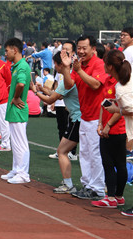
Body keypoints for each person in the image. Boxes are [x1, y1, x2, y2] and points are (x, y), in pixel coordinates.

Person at [62, 35, 108, 201]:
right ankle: (88, 185)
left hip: (98, 116)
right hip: (85, 116)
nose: (81, 51)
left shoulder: (98, 64)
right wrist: (67, 68)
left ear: (93, 49)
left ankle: (98, 189)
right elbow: (68, 85)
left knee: (95, 153)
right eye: (79, 48)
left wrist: (79, 70)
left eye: (84, 48)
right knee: (85, 153)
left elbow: (96, 84)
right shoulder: (77, 65)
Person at [34, 50, 81, 194]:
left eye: (55, 63)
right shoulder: (74, 76)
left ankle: (68, 184)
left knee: (62, 151)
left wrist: (35, 92)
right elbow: (57, 95)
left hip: (77, 120)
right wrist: (43, 90)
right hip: (81, 119)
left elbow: (51, 99)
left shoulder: (68, 79)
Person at [92, 50, 128, 209]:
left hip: (117, 129)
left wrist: (107, 126)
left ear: (111, 66)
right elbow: (104, 104)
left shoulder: (120, 85)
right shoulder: (108, 80)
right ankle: (118, 197)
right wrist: (100, 123)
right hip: (108, 127)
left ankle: (112, 196)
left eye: (105, 63)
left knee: (111, 163)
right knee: (119, 163)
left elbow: (121, 109)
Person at [0, 38, 32, 184]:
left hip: (18, 109)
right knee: (16, 142)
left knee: (20, 143)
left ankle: (23, 173)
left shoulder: (21, 66)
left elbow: (21, 83)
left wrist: (16, 98)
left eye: (7, 51)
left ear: (15, 50)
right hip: (15, 110)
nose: (5, 54)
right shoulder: (18, 65)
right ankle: (16, 168)